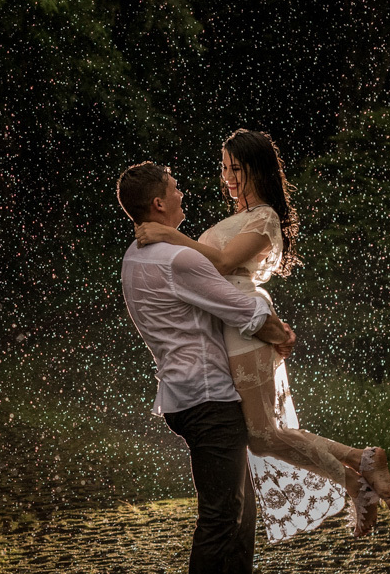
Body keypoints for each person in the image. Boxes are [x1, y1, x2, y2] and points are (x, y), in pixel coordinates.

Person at [134, 129, 390, 543]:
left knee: (261, 435)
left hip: (246, 324)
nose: (228, 176)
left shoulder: (265, 217)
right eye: (224, 168)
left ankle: (358, 471)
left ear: (257, 168)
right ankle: (358, 466)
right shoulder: (234, 219)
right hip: (231, 326)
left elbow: (220, 263)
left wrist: (168, 234)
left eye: (236, 168)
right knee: (262, 435)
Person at [117, 161, 298, 574]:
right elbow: (244, 312)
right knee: (221, 518)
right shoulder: (178, 260)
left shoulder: (133, 258)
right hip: (210, 398)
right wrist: (280, 332)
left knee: (241, 514)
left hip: (182, 397)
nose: (182, 194)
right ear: (160, 203)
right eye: (175, 188)